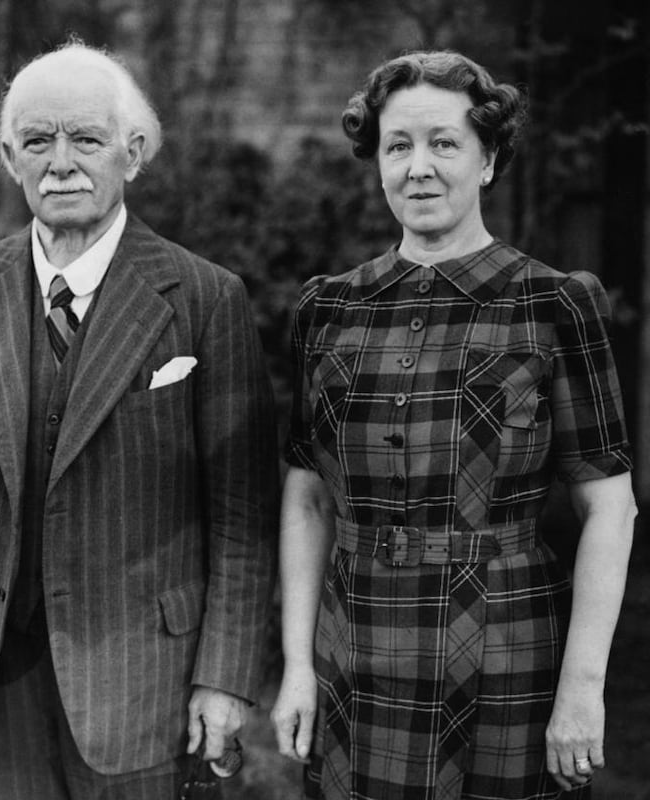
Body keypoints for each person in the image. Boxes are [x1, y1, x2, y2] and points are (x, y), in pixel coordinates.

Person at [0, 41, 278, 800]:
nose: (61, 162)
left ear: (132, 154)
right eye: (37, 141)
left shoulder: (204, 298)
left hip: (144, 681)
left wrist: (225, 679)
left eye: (86, 139)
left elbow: (242, 518)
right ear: (9, 157)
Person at [271, 50, 636, 800]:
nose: (419, 167)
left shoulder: (553, 304)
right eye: (398, 145)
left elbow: (609, 505)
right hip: (355, 649)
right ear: (376, 161)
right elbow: (306, 499)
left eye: (445, 143)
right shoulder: (328, 308)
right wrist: (298, 666)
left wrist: (582, 687)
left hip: (507, 652)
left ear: (489, 158)